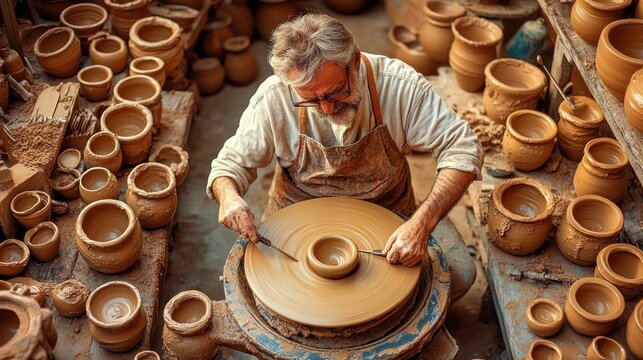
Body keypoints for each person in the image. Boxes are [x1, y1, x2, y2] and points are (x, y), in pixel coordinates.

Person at [207, 14, 484, 271]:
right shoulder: (275, 97)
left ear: (355, 61)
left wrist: (422, 224)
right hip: (296, 218)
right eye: (311, 100)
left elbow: (464, 148)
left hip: (385, 215)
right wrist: (229, 197)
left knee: (461, 275)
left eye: (336, 93)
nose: (326, 109)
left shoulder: (399, 86)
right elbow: (230, 166)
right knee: (260, 283)